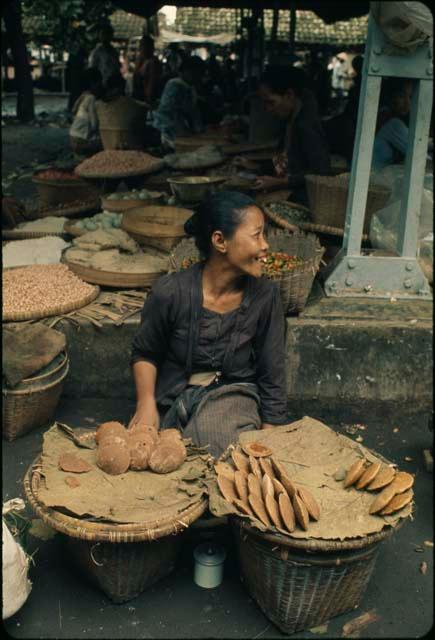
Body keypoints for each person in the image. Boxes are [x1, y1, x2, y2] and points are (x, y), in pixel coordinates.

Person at [130, 191, 289, 457]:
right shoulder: (170, 292)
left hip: (232, 397)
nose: (265, 246)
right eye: (256, 235)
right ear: (220, 241)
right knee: (150, 454)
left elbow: (272, 372)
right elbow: (146, 352)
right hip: (173, 399)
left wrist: (271, 432)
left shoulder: (265, 296)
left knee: (212, 438)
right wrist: (145, 404)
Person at [237, 65, 331, 206]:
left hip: (305, 199)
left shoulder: (305, 125)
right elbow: (286, 160)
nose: (268, 109)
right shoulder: (289, 120)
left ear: (289, 95)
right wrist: (254, 166)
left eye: (271, 102)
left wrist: (280, 182)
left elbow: (321, 172)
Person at [95, 72, 160, 150]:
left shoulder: (98, 104)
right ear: (118, 88)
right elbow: (144, 107)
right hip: (128, 144)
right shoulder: (128, 103)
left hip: (107, 145)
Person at [151, 56, 204, 149]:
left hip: (179, 131)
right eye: (195, 73)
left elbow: (193, 111)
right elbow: (172, 112)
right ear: (185, 71)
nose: (197, 77)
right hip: (167, 130)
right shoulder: (175, 85)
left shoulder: (190, 87)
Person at [372, 78, 413, 171]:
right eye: (402, 96)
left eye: (410, 97)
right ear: (391, 97)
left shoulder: (381, 114)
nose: (407, 103)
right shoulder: (393, 124)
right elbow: (421, 157)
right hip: (376, 178)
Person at [69, 68, 103, 157]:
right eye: (99, 82)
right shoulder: (91, 98)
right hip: (80, 141)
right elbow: (94, 125)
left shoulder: (83, 95)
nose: (101, 84)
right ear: (93, 83)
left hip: (73, 137)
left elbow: (73, 112)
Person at [132, 34, 162, 107]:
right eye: (141, 46)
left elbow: (152, 82)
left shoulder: (153, 62)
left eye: (143, 46)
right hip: (139, 97)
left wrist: (148, 99)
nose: (141, 48)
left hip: (147, 99)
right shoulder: (140, 60)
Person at [88, 24, 121, 89]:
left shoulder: (114, 51)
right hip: (102, 85)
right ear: (100, 36)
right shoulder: (96, 52)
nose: (106, 36)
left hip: (114, 84)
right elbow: (92, 70)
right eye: (103, 34)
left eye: (108, 34)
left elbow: (116, 68)